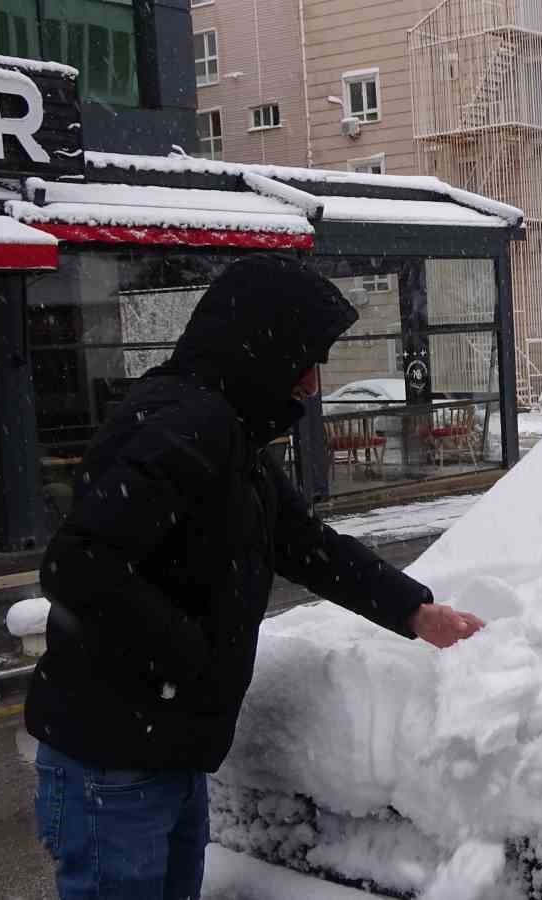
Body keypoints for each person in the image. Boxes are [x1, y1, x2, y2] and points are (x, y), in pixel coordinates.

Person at [24, 255, 485, 899]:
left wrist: (413, 611)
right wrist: (188, 657)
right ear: (262, 349)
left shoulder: (230, 435)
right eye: (306, 360)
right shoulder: (179, 424)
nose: (313, 384)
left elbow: (303, 545)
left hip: (168, 750)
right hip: (115, 761)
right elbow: (80, 565)